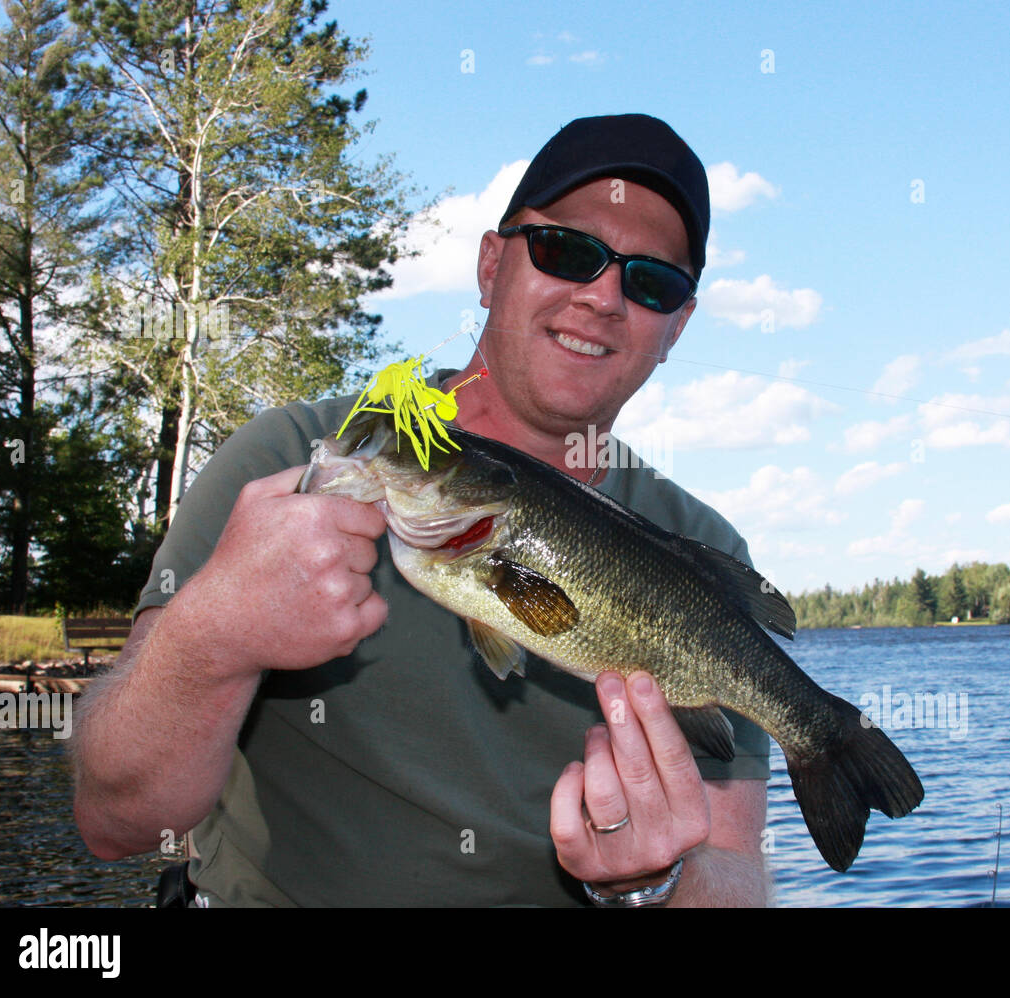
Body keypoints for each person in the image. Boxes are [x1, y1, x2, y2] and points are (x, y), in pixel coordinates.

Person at [73, 114, 772, 906]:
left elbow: (735, 874)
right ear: (490, 265)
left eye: (653, 282)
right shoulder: (292, 460)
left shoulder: (702, 550)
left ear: (676, 326)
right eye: (568, 252)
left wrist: (655, 881)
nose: (604, 297)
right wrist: (210, 636)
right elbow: (115, 820)